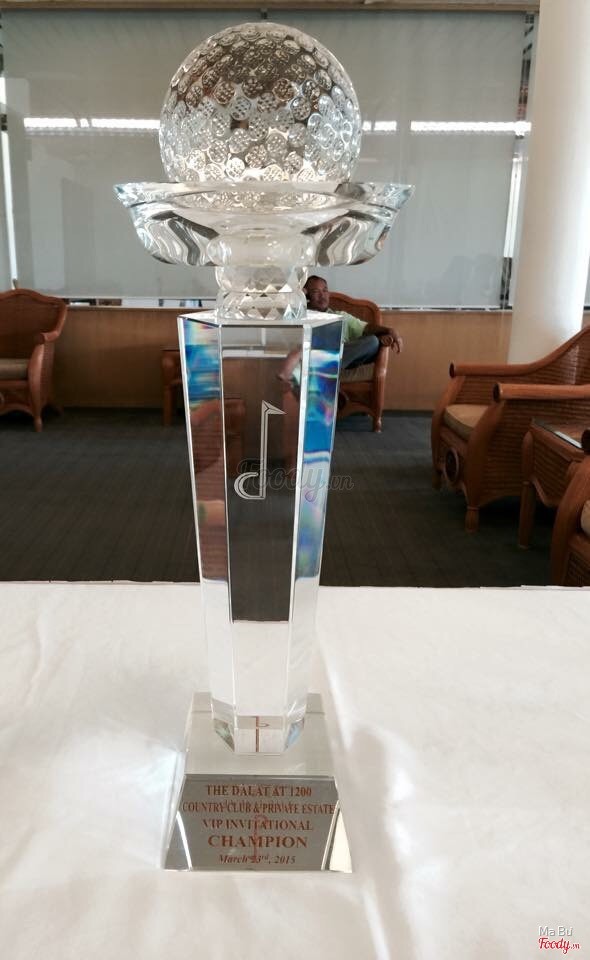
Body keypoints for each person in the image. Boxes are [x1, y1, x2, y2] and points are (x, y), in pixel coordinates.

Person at [279, 276, 403, 382]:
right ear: (307, 295)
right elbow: (282, 310)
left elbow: (366, 328)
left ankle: (322, 363)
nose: (322, 295)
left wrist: (390, 331)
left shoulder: (340, 316)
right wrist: (300, 294)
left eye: (325, 290)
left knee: (372, 342)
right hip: (311, 354)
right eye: (316, 291)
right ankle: (321, 363)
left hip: (341, 358)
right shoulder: (300, 315)